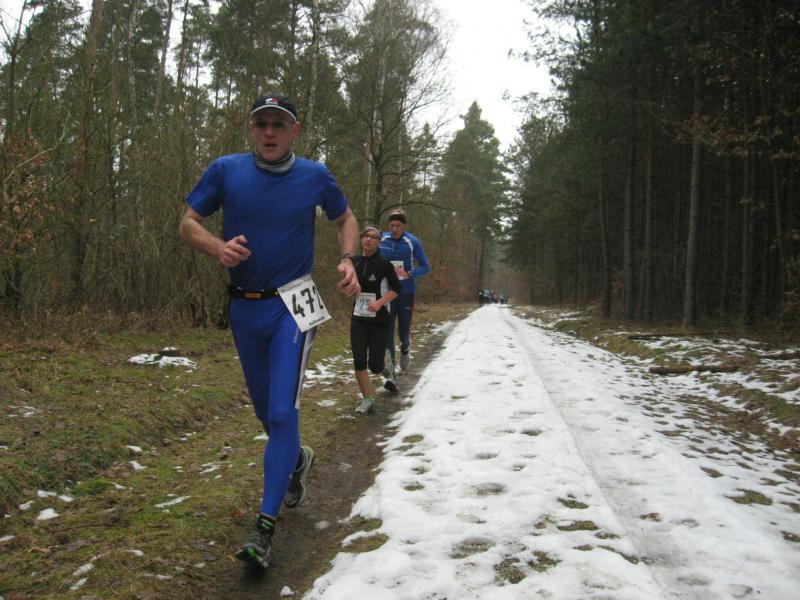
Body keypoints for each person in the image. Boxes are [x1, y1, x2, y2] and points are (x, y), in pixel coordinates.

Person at [178, 92, 360, 569]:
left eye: (279, 124)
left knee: (282, 412)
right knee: (266, 413)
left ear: (295, 130)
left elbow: (345, 217)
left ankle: (264, 528)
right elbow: (188, 224)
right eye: (262, 124)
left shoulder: (315, 175)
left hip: (293, 304)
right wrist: (217, 247)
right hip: (244, 306)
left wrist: (348, 259)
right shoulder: (226, 170)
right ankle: (296, 459)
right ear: (251, 127)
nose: (270, 132)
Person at [350, 225, 401, 413]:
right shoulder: (354, 261)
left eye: (373, 237)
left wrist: (380, 303)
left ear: (379, 242)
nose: (368, 239)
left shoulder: (384, 263)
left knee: (375, 366)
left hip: (379, 319)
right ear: (361, 239)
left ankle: (386, 364)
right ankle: (368, 400)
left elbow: (397, 289)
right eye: (365, 235)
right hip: (358, 318)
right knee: (359, 360)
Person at [378, 209, 430, 391]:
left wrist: (409, 273)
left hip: (406, 292)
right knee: (387, 331)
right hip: (386, 292)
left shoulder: (412, 242)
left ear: (404, 226)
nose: (394, 229)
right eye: (391, 225)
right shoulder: (382, 239)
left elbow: (425, 267)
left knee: (403, 331)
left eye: (398, 226)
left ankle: (405, 348)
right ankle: (391, 376)